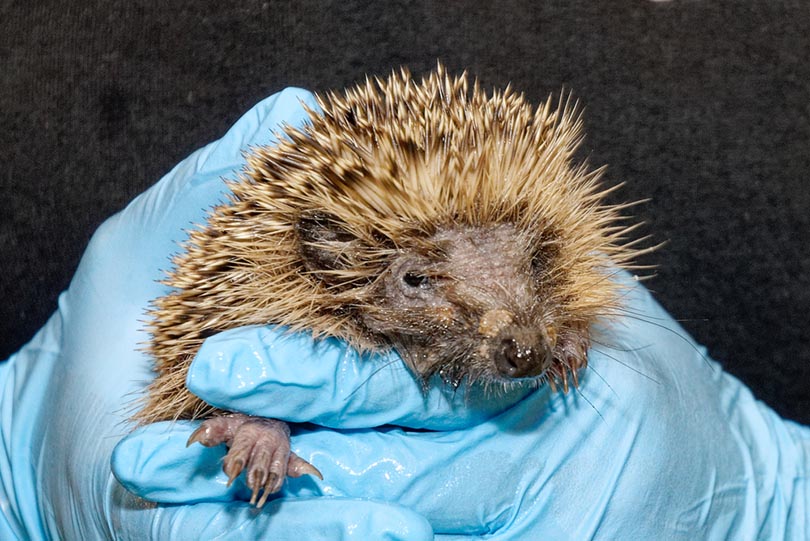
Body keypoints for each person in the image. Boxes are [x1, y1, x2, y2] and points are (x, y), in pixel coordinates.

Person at [1, 88, 806, 540]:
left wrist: (781, 505)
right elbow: (201, 363)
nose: (512, 328)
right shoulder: (271, 285)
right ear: (322, 262)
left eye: (525, 264)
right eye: (421, 279)